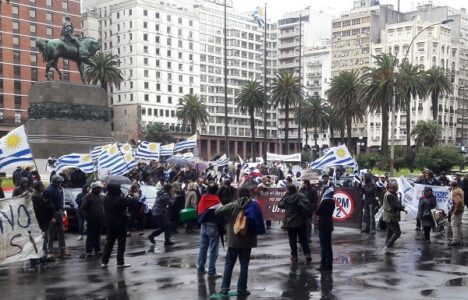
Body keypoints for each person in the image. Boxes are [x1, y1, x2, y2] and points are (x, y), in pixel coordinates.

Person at [215, 187, 265, 297]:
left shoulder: (233, 205)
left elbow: (217, 211)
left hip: (233, 240)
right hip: (248, 240)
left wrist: (232, 205)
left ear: (238, 195)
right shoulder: (254, 205)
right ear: (249, 195)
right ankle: (241, 288)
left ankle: (224, 288)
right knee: (244, 265)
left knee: (229, 264)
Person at [101, 183, 134, 268]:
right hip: (120, 224)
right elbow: (133, 202)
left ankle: (104, 261)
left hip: (109, 223)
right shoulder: (120, 199)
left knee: (109, 243)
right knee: (121, 243)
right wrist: (132, 196)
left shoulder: (106, 199)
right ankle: (120, 262)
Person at [278, 184, 312, 263]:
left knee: (292, 240)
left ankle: (294, 256)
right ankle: (307, 254)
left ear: (288, 190)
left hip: (290, 223)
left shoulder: (286, 199)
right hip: (301, 221)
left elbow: (280, 205)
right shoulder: (301, 196)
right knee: (303, 239)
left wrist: (283, 197)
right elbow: (308, 205)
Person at [197, 183, 224, 277]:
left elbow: (200, 210)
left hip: (203, 224)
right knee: (213, 249)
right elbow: (221, 212)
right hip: (212, 226)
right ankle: (212, 271)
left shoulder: (203, 197)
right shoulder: (216, 200)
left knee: (203, 247)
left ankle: (200, 268)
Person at [43, 175, 70, 258]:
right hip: (52, 214)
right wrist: (52, 217)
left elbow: (59, 201)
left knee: (61, 231)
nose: (60, 183)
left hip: (58, 212)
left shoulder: (58, 189)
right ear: (55, 182)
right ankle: (49, 251)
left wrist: (61, 210)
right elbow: (47, 205)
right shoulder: (49, 190)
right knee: (51, 234)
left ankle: (62, 249)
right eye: (59, 182)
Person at [31, 181, 55, 268]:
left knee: (43, 243)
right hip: (36, 226)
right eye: (42, 186)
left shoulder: (44, 200)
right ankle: (35, 263)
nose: (44, 187)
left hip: (43, 225)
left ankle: (42, 261)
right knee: (36, 244)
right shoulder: (34, 198)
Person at [80, 181, 105, 257]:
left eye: (101, 188)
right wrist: (87, 217)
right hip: (91, 219)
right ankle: (89, 251)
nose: (100, 189)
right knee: (91, 235)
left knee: (98, 235)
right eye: (99, 188)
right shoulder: (88, 196)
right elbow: (83, 208)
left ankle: (97, 249)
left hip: (100, 219)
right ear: (95, 188)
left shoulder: (102, 196)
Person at [316, 187, 336, 271]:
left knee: (323, 246)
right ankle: (329, 265)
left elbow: (318, 212)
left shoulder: (324, 201)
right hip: (329, 224)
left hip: (323, 224)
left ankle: (323, 265)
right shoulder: (332, 201)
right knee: (328, 246)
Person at [383, 181, 407, 251]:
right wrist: (402, 208)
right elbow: (395, 206)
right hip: (391, 217)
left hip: (387, 216)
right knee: (397, 232)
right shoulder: (390, 195)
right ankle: (388, 246)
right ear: (394, 188)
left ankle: (387, 245)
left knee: (390, 232)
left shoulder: (389, 193)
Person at [449, 180, 464, 246]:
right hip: (461, 209)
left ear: (452, 185)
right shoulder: (460, 189)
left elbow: (458, 202)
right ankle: (458, 238)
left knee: (453, 224)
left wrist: (455, 211)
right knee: (458, 224)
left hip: (457, 210)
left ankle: (455, 240)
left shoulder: (455, 192)